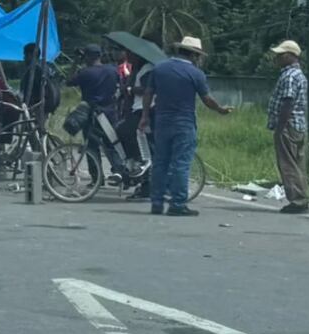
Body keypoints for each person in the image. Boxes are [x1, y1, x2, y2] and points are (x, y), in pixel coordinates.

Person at [140, 36, 232, 217]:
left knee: (160, 163)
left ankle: (156, 203)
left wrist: (144, 116)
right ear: (194, 55)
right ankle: (177, 203)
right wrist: (220, 109)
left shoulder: (159, 68)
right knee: (181, 164)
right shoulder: (196, 74)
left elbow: (148, 93)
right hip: (184, 122)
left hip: (161, 121)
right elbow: (207, 99)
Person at [67, 44, 122, 181]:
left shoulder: (85, 73)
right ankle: (119, 170)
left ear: (88, 57)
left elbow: (68, 81)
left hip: (92, 113)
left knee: (91, 145)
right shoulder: (112, 70)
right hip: (110, 112)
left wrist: (75, 62)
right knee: (112, 143)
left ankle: (97, 178)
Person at [268, 40, 309, 214]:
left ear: (290, 56)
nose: (277, 58)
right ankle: (301, 197)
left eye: (281, 54)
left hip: (289, 125)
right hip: (299, 125)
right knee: (298, 163)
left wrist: (280, 127)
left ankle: (298, 200)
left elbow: (288, 102)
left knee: (288, 164)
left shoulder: (290, 76)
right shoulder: (298, 75)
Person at [118, 50, 153, 197]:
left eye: (131, 54)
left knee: (124, 131)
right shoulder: (137, 69)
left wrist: (130, 89)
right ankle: (137, 167)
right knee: (122, 132)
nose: (128, 57)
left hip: (143, 110)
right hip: (136, 109)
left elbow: (147, 90)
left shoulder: (148, 69)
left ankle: (139, 161)